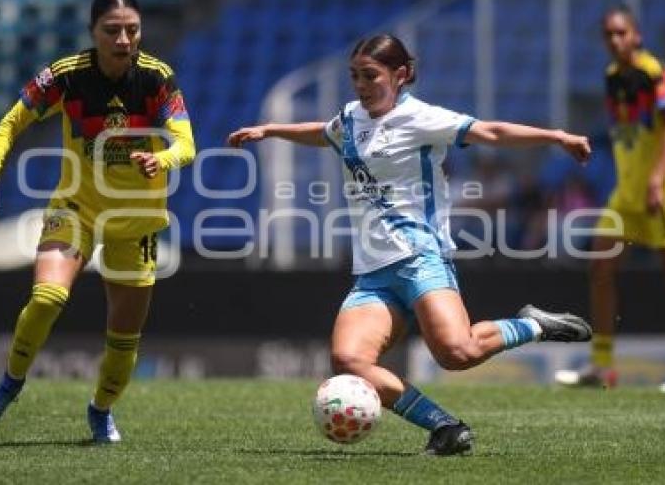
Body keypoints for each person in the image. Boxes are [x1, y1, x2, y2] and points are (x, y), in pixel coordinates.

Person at [228, 34, 593, 456]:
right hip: (372, 273)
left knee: (457, 353)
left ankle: (534, 325)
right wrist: (269, 130)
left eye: (370, 76)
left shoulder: (422, 119)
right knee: (348, 361)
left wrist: (557, 137)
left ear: (400, 75)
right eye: (354, 77)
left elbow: (491, 131)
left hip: (421, 258)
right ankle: (445, 428)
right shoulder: (349, 119)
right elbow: (322, 133)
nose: (361, 86)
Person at [0, 0, 196, 442]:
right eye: (112, 31)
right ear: (93, 33)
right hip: (77, 207)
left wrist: (164, 160)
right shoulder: (65, 76)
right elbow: (12, 121)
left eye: (132, 30)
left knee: (123, 338)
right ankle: (12, 380)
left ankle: (101, 409)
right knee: (49, 297)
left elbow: (187, 144)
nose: (124, 39)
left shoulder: (157, 78)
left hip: (137, 219)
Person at [554, 6, 665, 392]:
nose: (615, 40)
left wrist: (658, 178)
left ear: (637, 36)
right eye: (609, 34)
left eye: (621, 33)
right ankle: (602, 366)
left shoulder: (656, 73)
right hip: (627, 193)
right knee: (601, 266)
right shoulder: (612, 77)